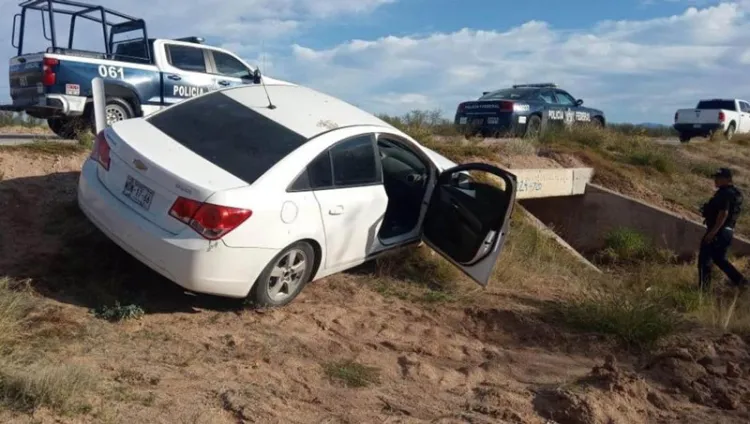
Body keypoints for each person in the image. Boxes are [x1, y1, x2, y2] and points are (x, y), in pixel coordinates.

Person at [698, 167, 748, 292]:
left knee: (705, 260)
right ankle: (742, 282)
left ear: (728, 179)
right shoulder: (734, 193)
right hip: (728, 231)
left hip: (718, 231)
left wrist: (712, 232)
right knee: (720, 259)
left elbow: (723, 213)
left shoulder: (725, 193)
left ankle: (703, 291)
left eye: (719, 178)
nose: (716, 180)